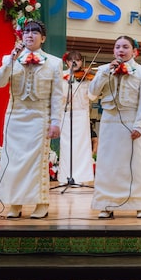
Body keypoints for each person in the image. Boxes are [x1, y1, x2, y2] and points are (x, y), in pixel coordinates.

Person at [0, 20, 63, 219]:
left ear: (43, 38)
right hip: (15, 117)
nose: (30, 35)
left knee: (37, 162)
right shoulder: (11, 58)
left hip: (40, 117)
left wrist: (56, 122)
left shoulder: (55, 62)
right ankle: (15, 203)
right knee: (14, 161)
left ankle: (42, 202)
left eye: (35, 32)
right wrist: (10, 61)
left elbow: (57, 95)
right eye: (26, 32)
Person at [88, 36, 141, 219]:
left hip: (131, 122)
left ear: (134, 51)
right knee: (108, 165)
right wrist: (103, 73)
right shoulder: (103, 70)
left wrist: (140, 126)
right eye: (117, 47)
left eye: (125, 47)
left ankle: (140, 204)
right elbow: (92, 95)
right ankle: (106, 204)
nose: (121, 50)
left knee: (135, 164)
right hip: (109, 122)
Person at [57, 51, 95, 186]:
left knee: (82, 146)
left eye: (78, 60)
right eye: (71, 60)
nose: (75, 62)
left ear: (81, 62)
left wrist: (92, 80)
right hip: (66, 114)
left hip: (82, 114)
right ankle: (66, 176)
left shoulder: (87, 77)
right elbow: (57, 96)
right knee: (66, 146)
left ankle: (81, 177)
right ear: (67, 62)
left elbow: (93, 97)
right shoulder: (61, 76)